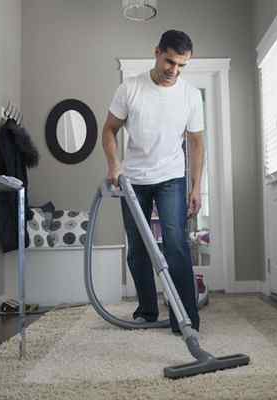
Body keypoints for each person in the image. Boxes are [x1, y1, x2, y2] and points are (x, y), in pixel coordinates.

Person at [102, 30, 205, 334]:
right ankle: (147, 310)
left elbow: (197, 143)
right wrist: (114, 165)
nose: (174, 71)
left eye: (181, 65)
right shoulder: (130, 88)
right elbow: (108, 130)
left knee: (175, 244)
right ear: (157, 52)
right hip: (132, 180)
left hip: (172, 177)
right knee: (138, 246)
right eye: (170, 62)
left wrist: (196, 186)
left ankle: (185, 320)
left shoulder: (190, 95)